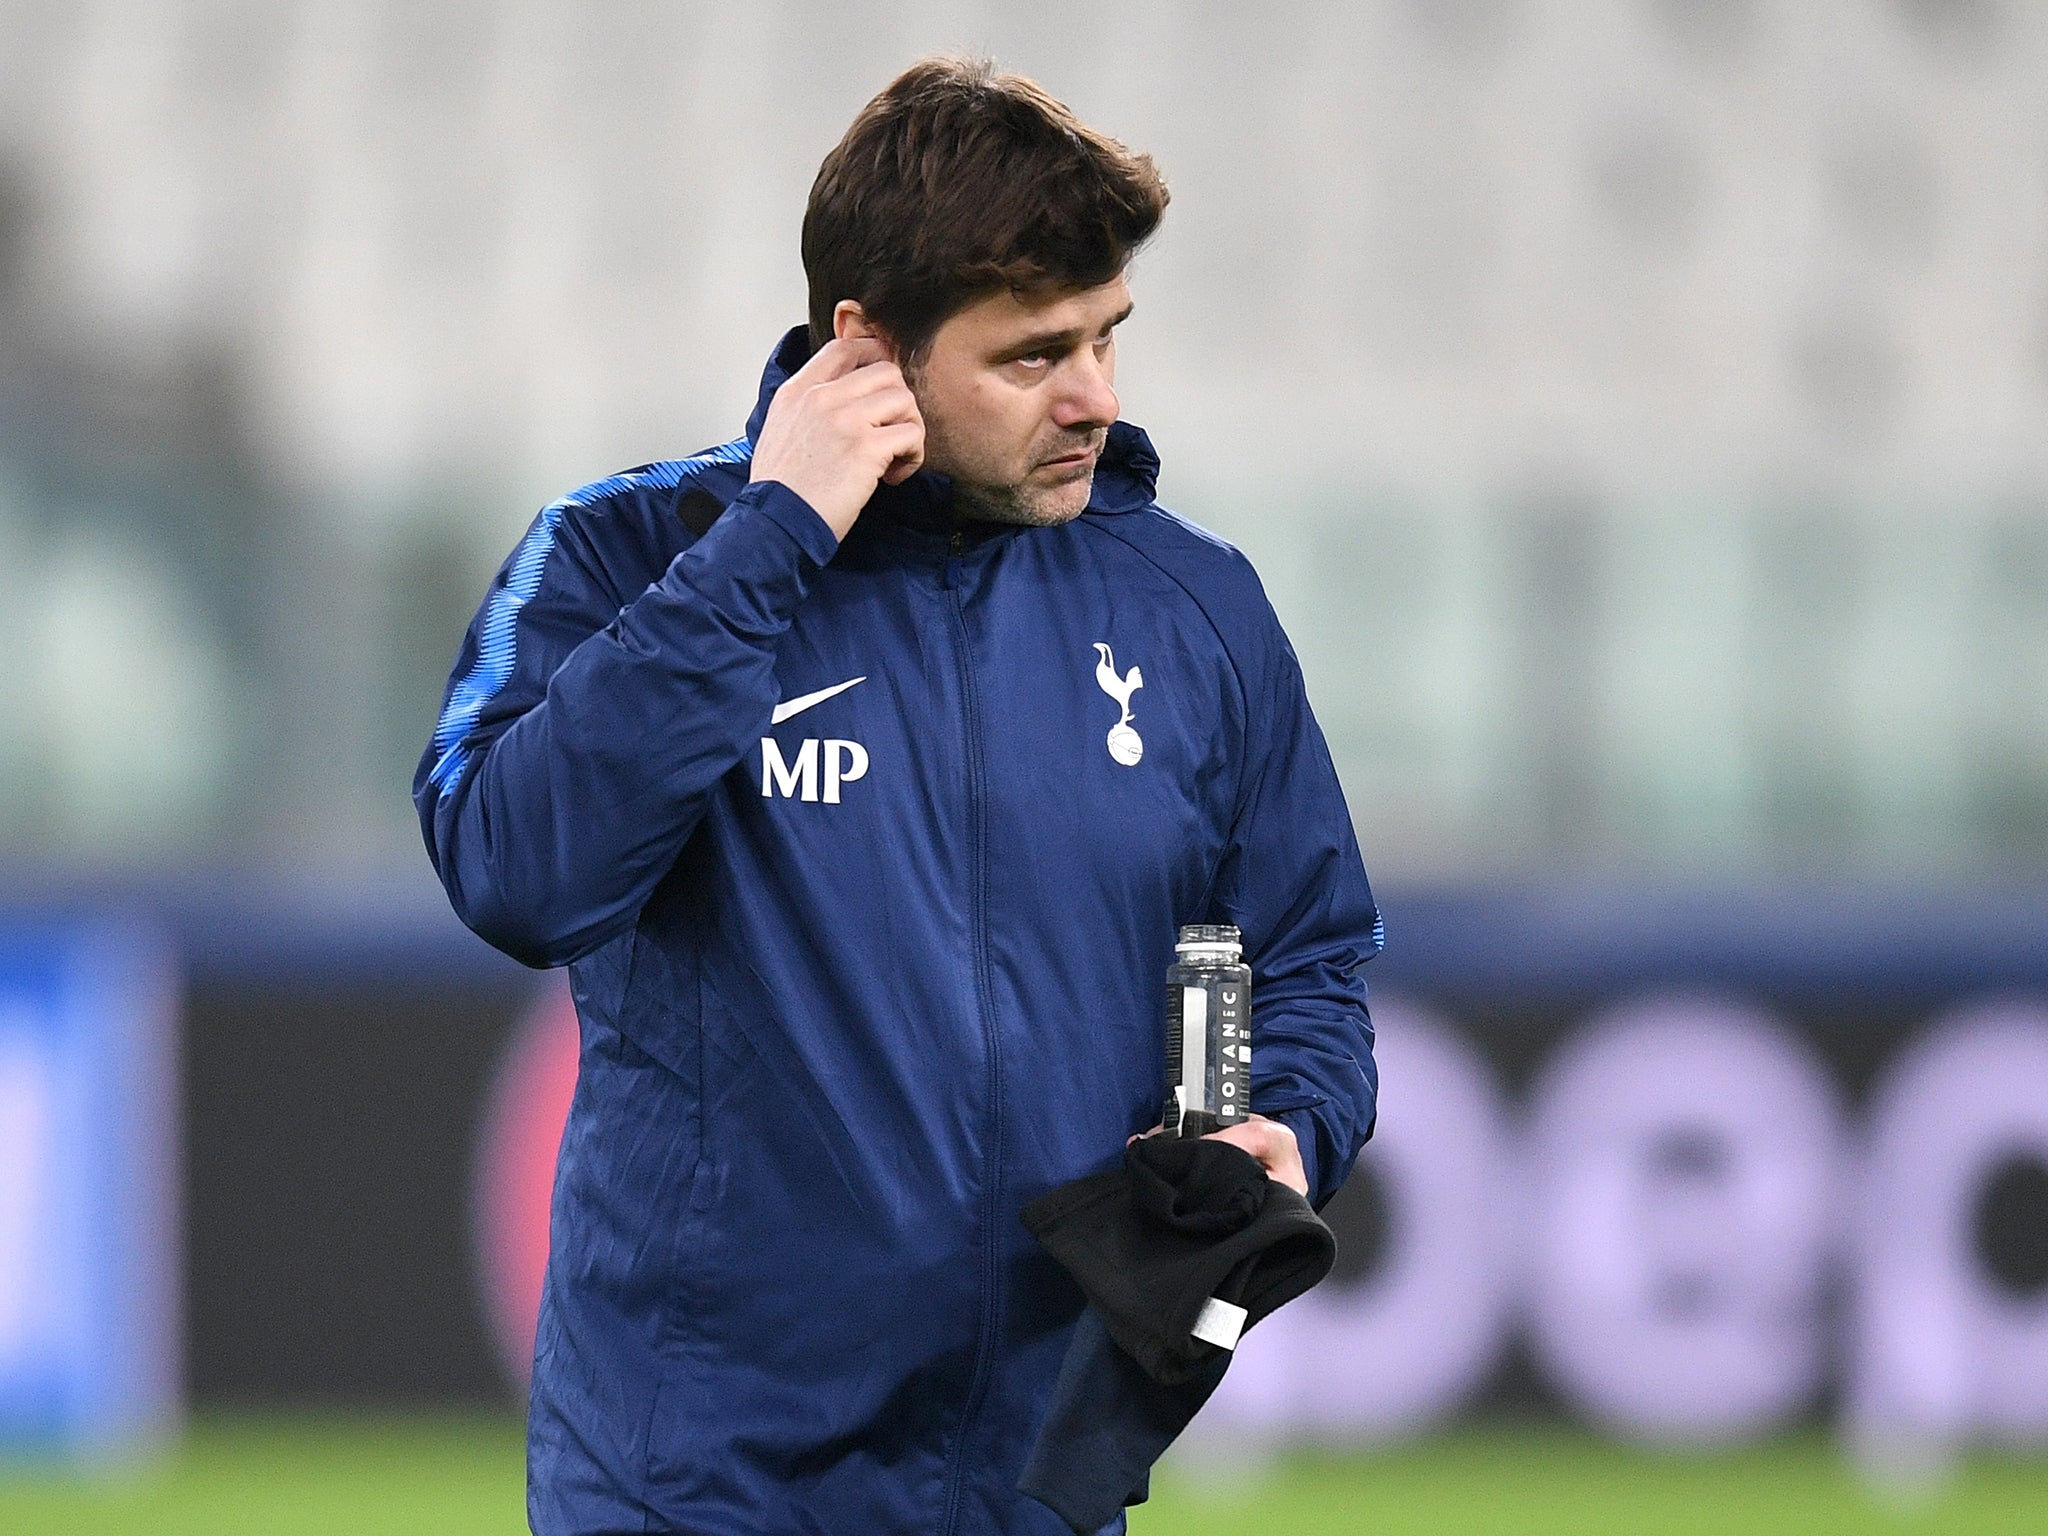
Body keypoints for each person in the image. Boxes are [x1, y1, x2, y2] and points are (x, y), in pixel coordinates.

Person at [415, 56, 1381, 1536]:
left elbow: (1309, 955)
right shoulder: (627, 555)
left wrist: (1289, 1128)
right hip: (694, 1491)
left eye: (1110, 337)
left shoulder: (1196, 607)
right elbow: (514, 874)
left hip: (1033, 1491)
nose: (1097, 399)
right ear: (866, 347)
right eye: (1033, 355)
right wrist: (773, 534)